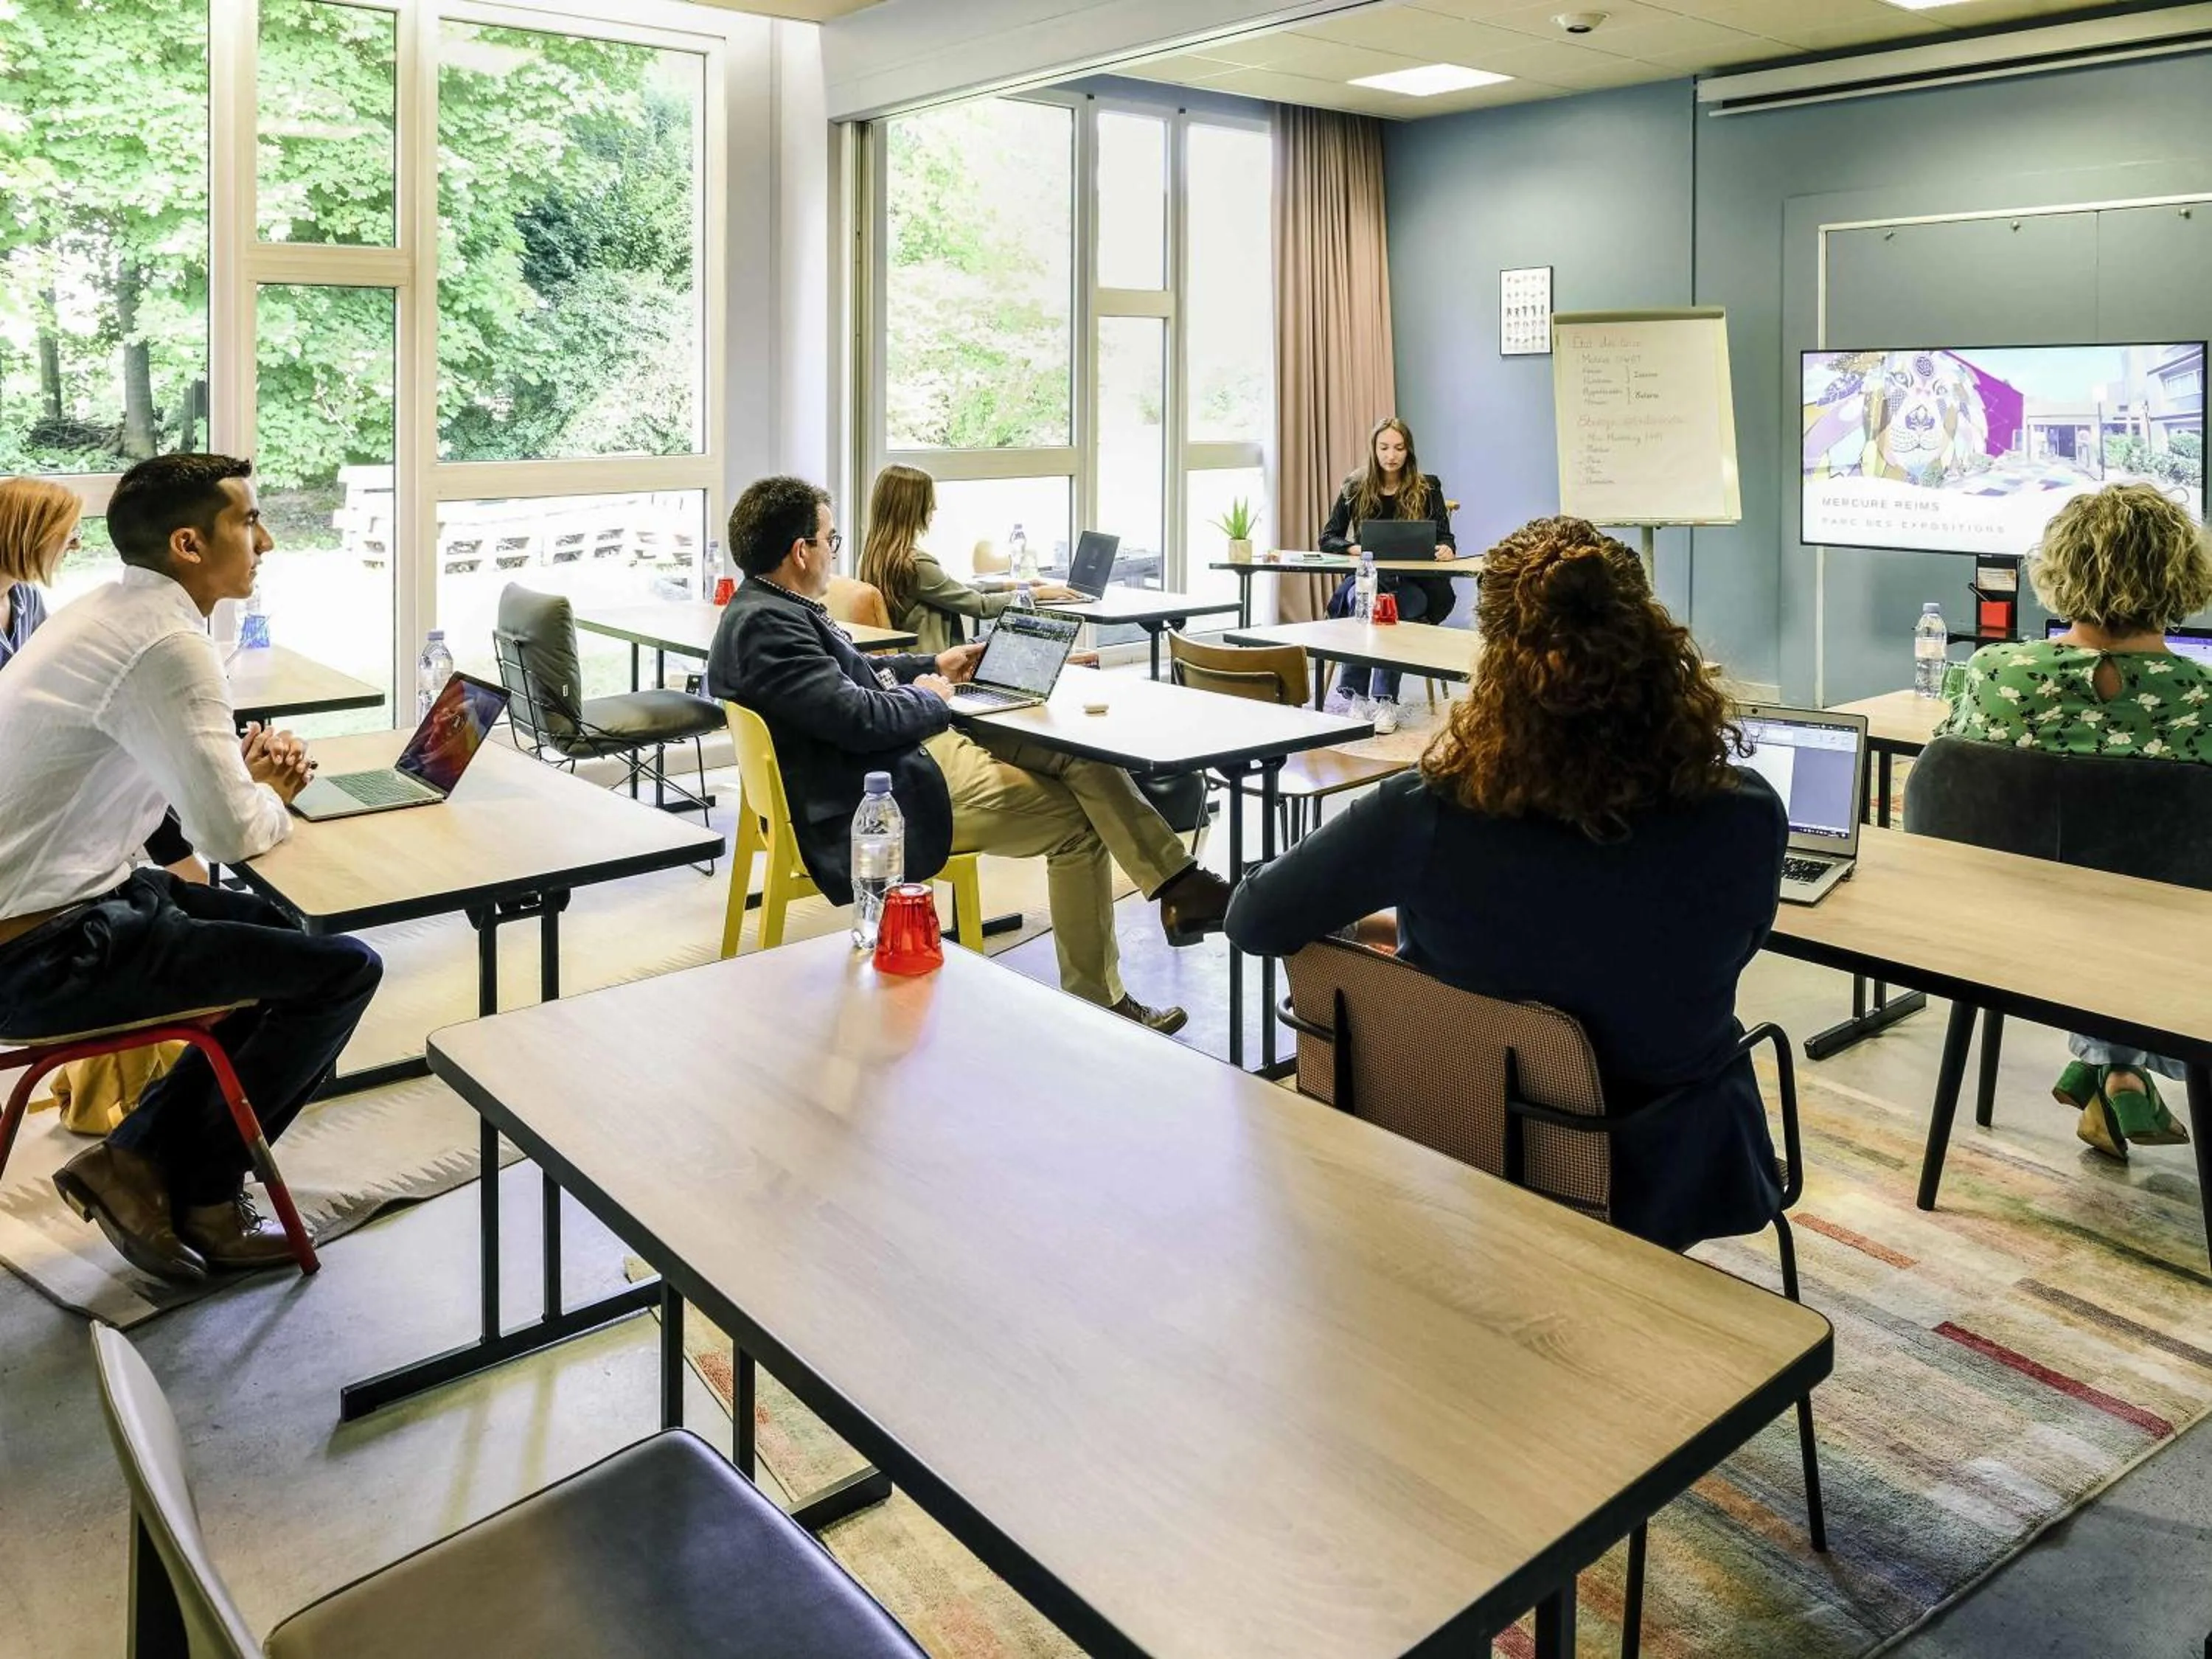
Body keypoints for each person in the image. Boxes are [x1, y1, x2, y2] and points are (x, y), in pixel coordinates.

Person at [1226, 515, 1787, 1251]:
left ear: (1491, 660)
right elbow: (1691, 951)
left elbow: (1254, 921)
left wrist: (1389, 923)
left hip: (1475, 1141)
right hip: (1672, 1163)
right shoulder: (1744, 814)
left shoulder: (1429, 814)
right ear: (1653, 642)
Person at [0, 454, 383, 1282]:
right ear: (187, 543)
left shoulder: (107, 611)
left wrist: (246, 781)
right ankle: (204, 1189)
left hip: (72, 899)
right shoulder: (170, 643)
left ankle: (136, 1160)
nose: (267, 540)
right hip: (39, 953)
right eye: (248, 522)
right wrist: (268, 792)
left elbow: (193, 795)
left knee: (288, 939)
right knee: (341, 973)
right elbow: (228, 833)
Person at [709, 476, 1230, 1032]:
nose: (836, 552)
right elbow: (860, 718)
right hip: (882, 792)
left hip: (894, 752)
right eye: (831, 540)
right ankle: (1101, 1001)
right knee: (1083, 823)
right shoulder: (771, 626)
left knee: (1081, 758)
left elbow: (859, 683)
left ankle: (1180, 885)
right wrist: (929, 698)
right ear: (801, 551)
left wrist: (937, 668)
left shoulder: (769, 607)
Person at [1937, 481, 2212, 1158]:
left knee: (2089, 887)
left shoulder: (1993, 674)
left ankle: (2108, 1067)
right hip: (2171, 940)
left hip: (2009, 929)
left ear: (2057, 568)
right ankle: (2118, 1070)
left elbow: (1942, 791)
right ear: (2184, 577)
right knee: (2133, 899)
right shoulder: (2203, 701)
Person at [1318, 416, 1460, 726]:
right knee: (1371, 600)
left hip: (1415, 587)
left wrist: (1446, 550)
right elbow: (1328, 539)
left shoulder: (1427, 486)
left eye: (1398, 448)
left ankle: (1376, 700)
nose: (1391, 455)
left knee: (1379, 605)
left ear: (1408, 451)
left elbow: (1445, 538)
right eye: (1384, 447)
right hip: (1366, 582)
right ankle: (1371, 700)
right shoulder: (1355, 487)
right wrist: (1356, 549)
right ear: (1374, 449)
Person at [857, 464, 1082, 656]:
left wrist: (1006, 585)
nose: (934, 508)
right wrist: (1034, 594)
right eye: (928, 502)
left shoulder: (874, 556)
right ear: (911, 509)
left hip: (911, 656)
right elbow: (981, 606)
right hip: (937, 661)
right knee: (1034, 636)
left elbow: (948, 589)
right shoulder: (916, 564)